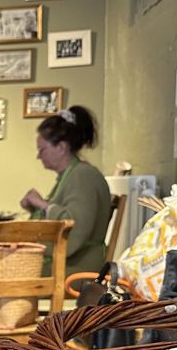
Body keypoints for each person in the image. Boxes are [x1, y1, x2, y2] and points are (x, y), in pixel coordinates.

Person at [19, 106, 112, 275]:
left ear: (61, 147)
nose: (38, 156)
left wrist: (43, 205)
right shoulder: (73, 175)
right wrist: (38, 208)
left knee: (6, 271)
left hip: (79, 266)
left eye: (42, 150)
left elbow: (74, 225)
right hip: (72, 261)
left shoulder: (83, 176)